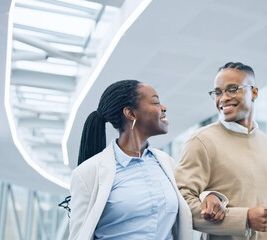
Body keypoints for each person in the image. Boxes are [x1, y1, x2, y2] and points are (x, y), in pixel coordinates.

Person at [69, 80, 215, 240]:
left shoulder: (166, 163)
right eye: (156, 102)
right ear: (131, 114)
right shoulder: (87, 173)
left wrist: (209, 196)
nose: (164, 108)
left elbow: (188, 198)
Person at [175, 62, 267, 240]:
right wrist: (245, 219)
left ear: (254, 92)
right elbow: (182, 204)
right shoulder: (201, 141)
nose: (223, 98)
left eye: (232, 89)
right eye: (217, 92)